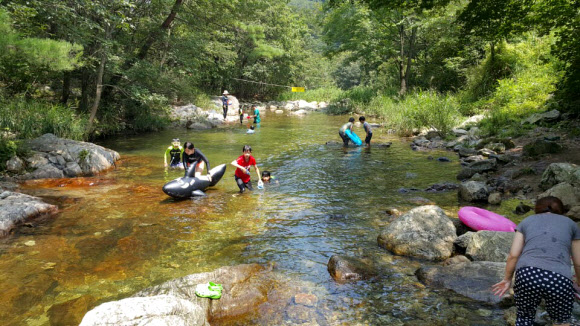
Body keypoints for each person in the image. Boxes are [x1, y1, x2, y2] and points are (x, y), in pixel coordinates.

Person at [492, 196, 580, 326]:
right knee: (561, 321)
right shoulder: (571, 224)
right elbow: (578, 262)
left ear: (537, 209)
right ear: (561, 210)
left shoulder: (527, 221)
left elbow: (513, 255)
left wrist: (507, 279)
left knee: (525, 318)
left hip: (527, 274)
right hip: (559, 278)